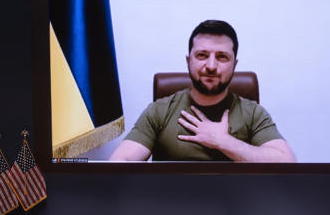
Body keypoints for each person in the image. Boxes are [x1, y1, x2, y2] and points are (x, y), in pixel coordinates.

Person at [109, 19, 295, 162]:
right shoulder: (159, 111)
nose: (211, 66)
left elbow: (286, 163)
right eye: (202, 55)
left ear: (234, 65)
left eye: (222, 57)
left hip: (234, 210)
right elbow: (120, 161)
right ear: (188, 60)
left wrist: (224, 142)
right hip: (172, 208)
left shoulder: (253, 113)